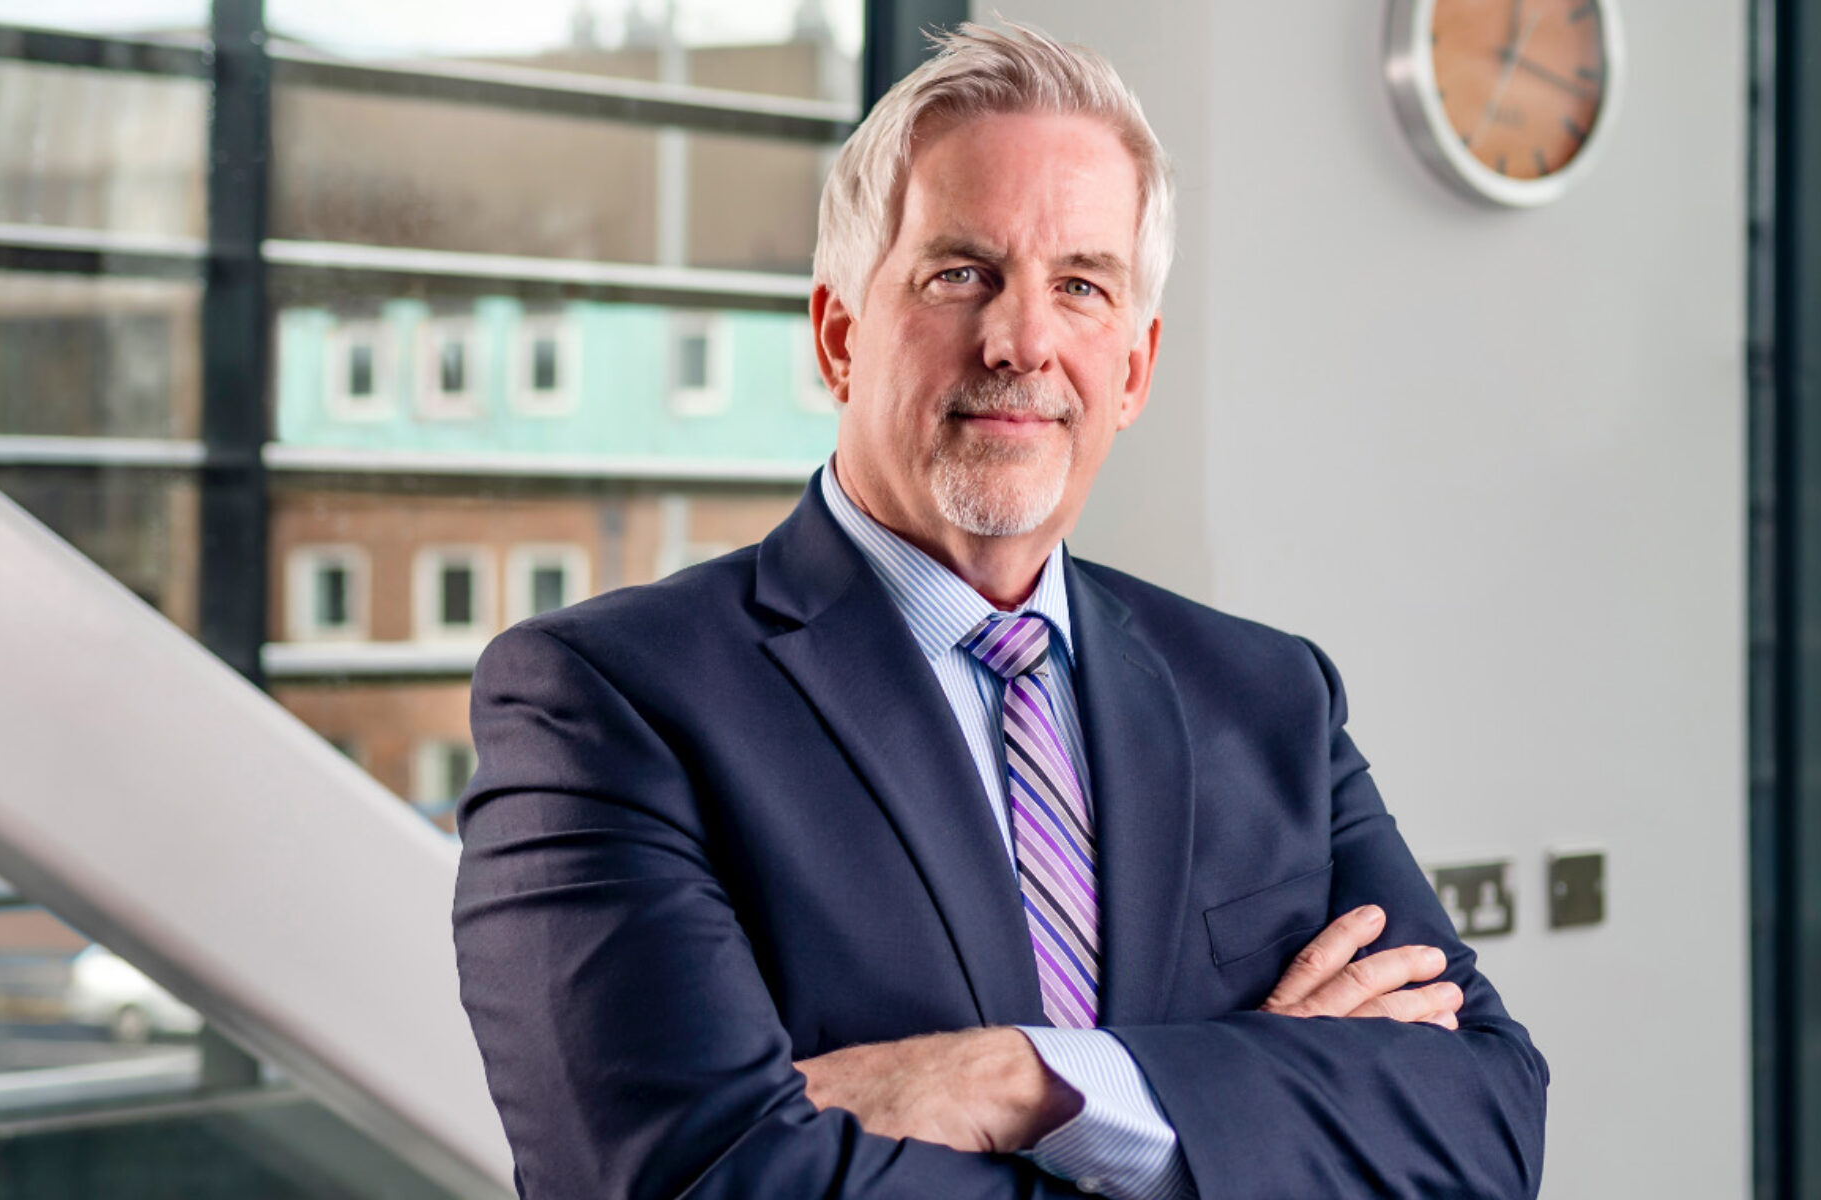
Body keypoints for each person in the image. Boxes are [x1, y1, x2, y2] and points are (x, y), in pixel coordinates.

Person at [451, 22, 1547, 1199]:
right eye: (960, 272)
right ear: (838, 335)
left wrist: (1026, 1081)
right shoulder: (606, 701)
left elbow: (1484, 1126)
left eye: (1081, 286)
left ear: (1132, 368)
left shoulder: (1268, 696)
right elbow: (696, 1181)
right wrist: (1246, 1099)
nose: (1021, 341)